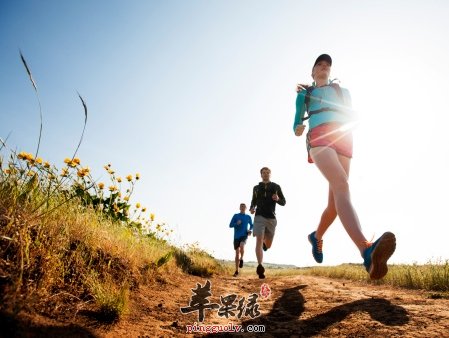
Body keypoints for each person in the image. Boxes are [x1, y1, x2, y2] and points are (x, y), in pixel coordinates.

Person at [293, 53, 396, 280]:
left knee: (334, 204)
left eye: (327, 65)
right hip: (319, 137)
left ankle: (316, 236)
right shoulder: (304, 95)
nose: (324, 67)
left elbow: (350, 115)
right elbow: (296, 123)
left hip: (343, 138)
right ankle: (366, 250)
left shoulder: (343, 92)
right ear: (312, 72)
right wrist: (298, 128)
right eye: (319, 64)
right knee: (342, 185)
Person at [250, 167, 286, 279]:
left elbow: (283, 202)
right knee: (259, 240)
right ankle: (260, 267)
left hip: (271, 218)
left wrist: (277, 199)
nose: (265, 174)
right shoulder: (256, 188)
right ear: (261, 174)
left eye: (267, 172)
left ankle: (265, 245)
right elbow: (253, 201)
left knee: (268, 245)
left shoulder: (276, 187)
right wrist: (252, 208)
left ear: (270, 174)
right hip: (259, 216)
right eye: (263, 173)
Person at [229, 203, 253, 277]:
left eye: (244, 206)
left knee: (242, 246)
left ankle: (241, 259)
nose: (242, 207)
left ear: (246, 208)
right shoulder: (236, 216)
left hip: (244, 235)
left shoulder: (248, 217)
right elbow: (230, 225)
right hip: (236, 237)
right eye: (241, 206)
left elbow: (252, 225)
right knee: (236, 253)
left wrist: (250, 230)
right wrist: (236, 223)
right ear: (239, 208)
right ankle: (236, 271)